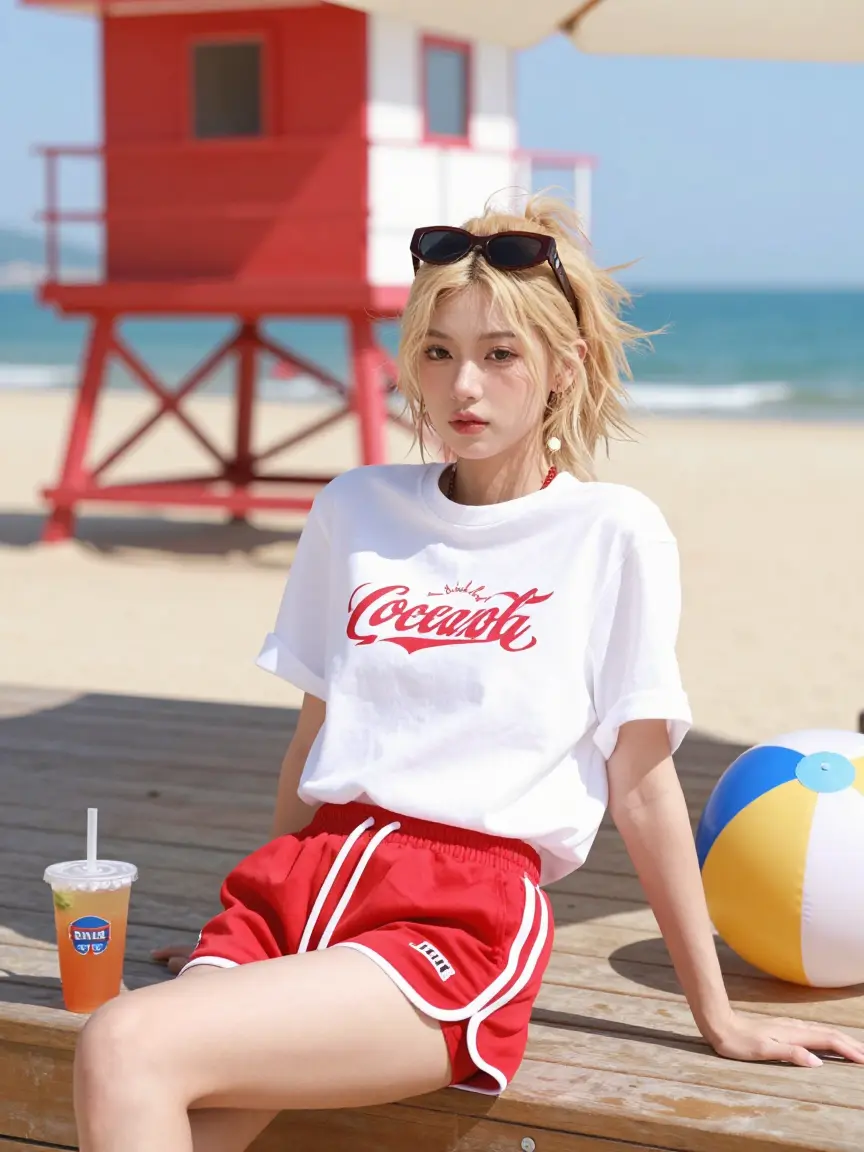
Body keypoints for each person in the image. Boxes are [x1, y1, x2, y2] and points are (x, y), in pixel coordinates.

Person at [73, 196, 864, 1152]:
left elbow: (644, 789)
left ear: (563, 367)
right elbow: (315, 735)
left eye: (500, 354)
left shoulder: (611, 534)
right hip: (302, 887)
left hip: (453, 920)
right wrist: (250, 908)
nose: (464, 388)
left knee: (124, 1043)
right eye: (438, 352)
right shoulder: (356, 509)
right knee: (175, 1102)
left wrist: (719, 1014)